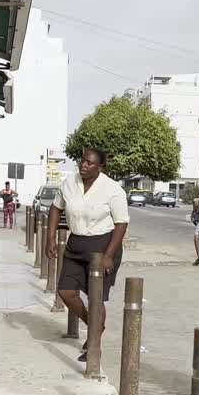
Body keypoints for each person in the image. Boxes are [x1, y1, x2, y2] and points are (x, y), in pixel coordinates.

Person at [46, 148, 129, 362]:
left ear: (100, 167)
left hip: (103, 245)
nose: (84, 165)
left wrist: (108, 256)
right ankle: (95, 326)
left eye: (90, 163)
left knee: (95, 297)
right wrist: (50, 237)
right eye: (83, 161)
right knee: (65, 292)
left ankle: (93, 345)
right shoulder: (69, 184)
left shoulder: (112, 189)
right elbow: (55, 208)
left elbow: (121, 224)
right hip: (75, 244)